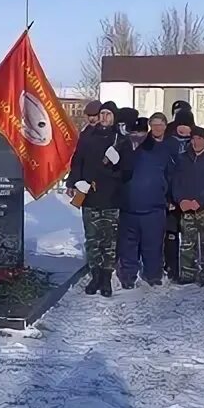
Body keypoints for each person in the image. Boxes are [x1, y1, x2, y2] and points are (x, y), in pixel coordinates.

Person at [65, 100, 122, 297]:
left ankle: (106, 277)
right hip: (88, 194)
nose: (104, 118)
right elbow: (77, 160)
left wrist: (116, 165)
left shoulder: (119, 139)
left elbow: (127, 169)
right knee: (92, 239)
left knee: (109, 241)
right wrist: (72, 182)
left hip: (111, 197)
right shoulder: (88, 136)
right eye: (102, 114)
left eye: (108, 114)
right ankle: (95, 275)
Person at [116, 117, 173, 288]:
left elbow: (170, 176)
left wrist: (169, 197)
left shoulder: (160, 150)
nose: (136, 137)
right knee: (128, 246)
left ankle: (153, 274)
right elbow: (113, 174)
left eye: (140, 133)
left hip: (153, 207)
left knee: (153, 245)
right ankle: (127, 276)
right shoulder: (122, 149)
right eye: (133, 133)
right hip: (128, 207)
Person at [170, 126, 204, 286]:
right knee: (187, 242)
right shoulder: (182, 159)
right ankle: (187, 274)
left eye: (199, 139)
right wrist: (180, 200)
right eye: (193, 139)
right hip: (186, 208)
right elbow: (176, 182)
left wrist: (200, 200)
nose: (195, 142)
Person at [163, 107, 194, 277]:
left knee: (189, 235)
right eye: (180, 125)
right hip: (171, 195)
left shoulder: (196, 142)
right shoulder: (168, 143)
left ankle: (189, 267)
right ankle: (171, 265)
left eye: (187, 126)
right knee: (171, 233)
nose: (183, 129)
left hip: (190, 196)